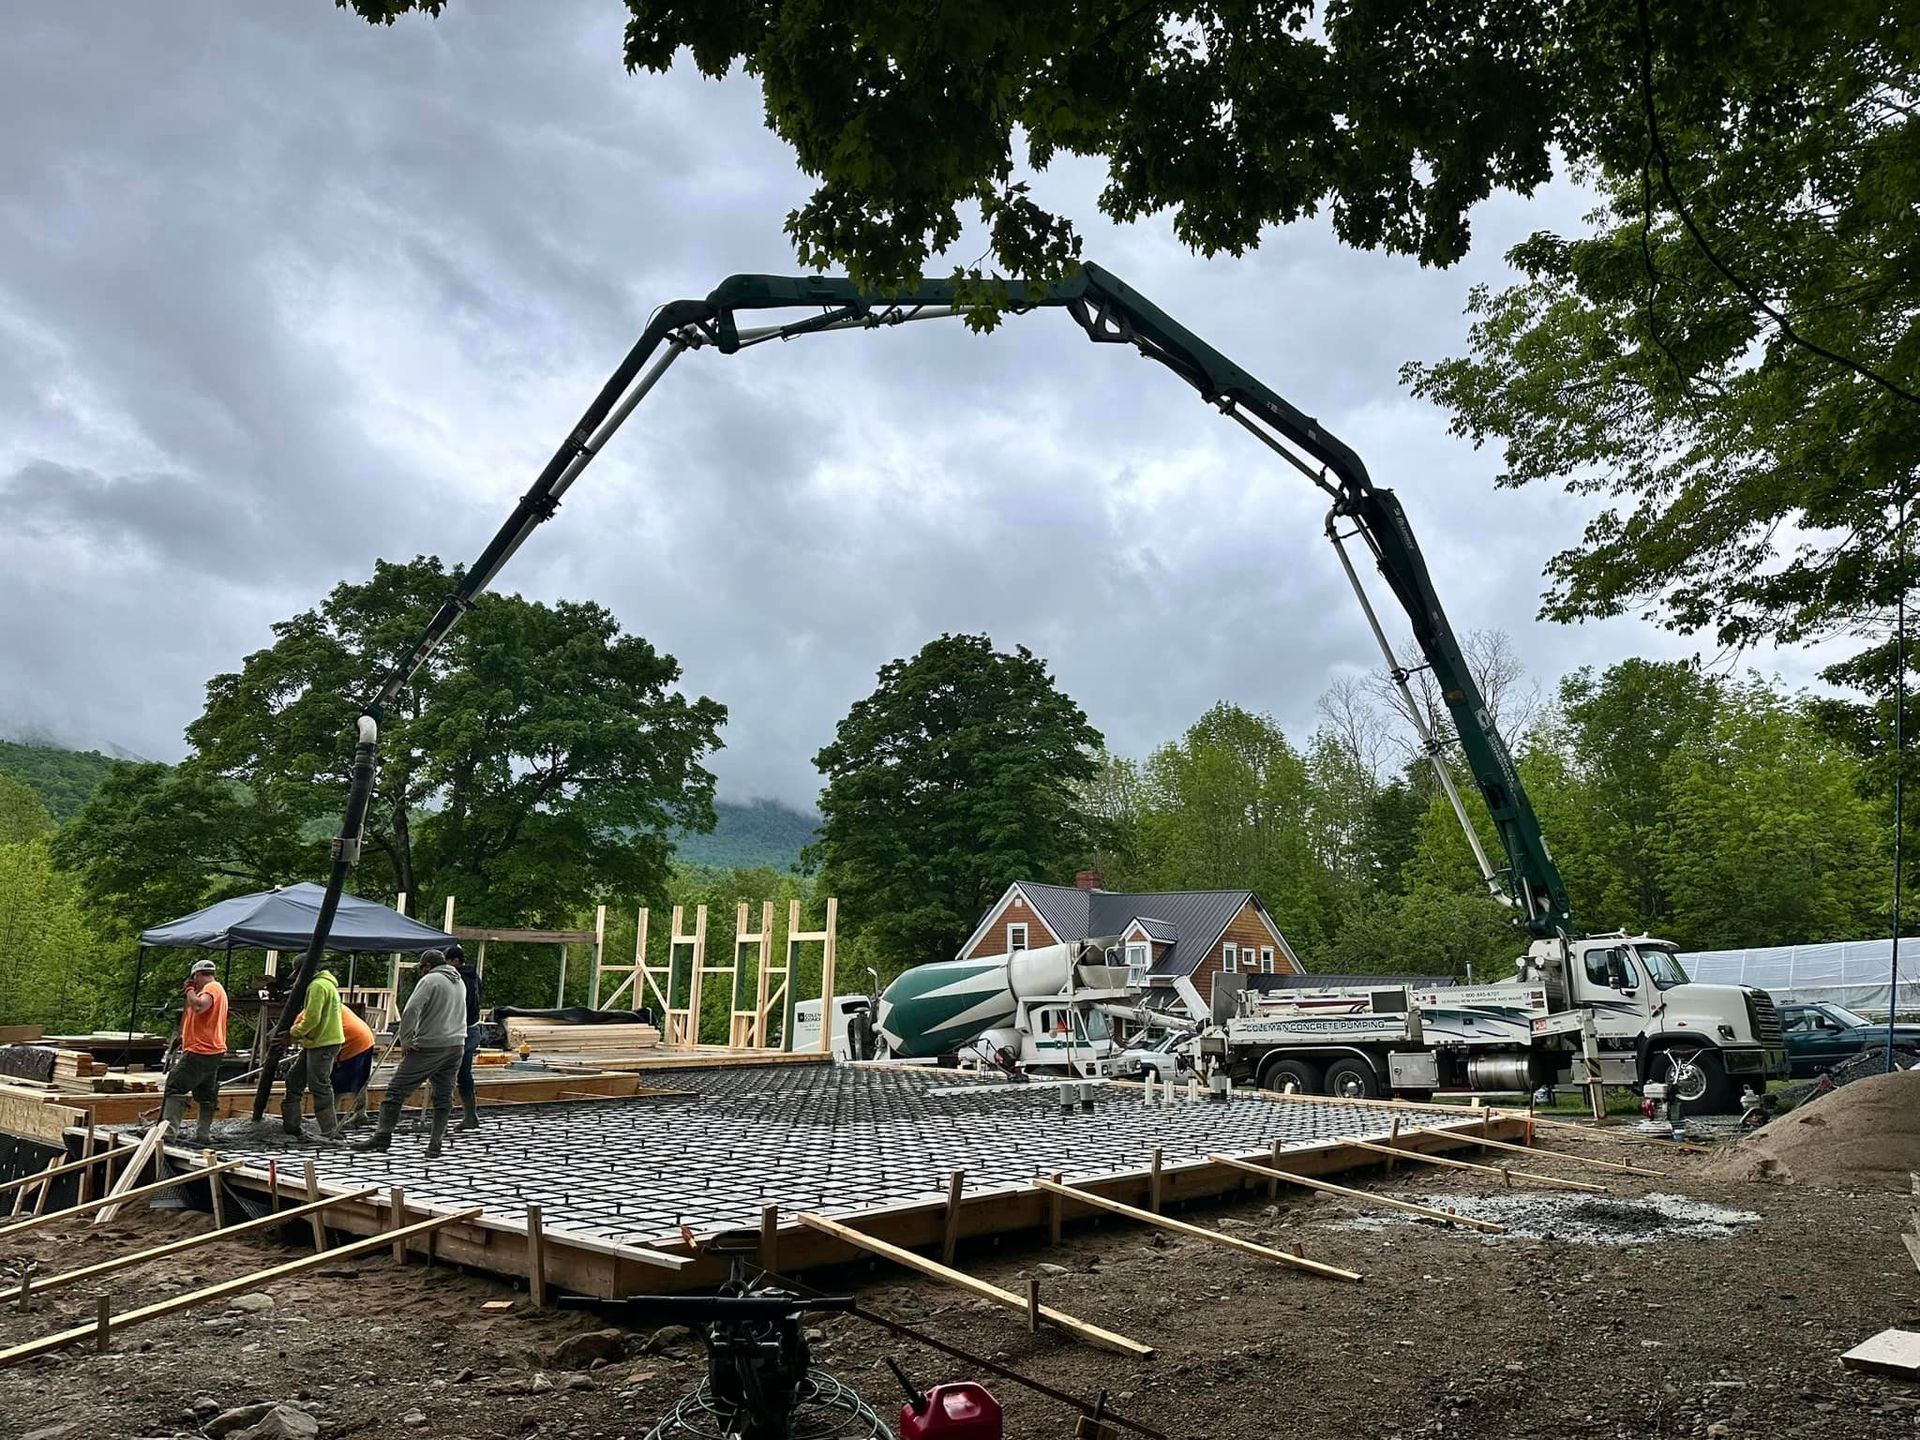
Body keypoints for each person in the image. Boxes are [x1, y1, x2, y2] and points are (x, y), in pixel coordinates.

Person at [354, 948, 466, 1158]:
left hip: (430, 1046)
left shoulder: (430, 980)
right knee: (443, 1097)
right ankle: (435, 1144)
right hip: (456, 1045)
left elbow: (411, 1009)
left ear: (427, 966)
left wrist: (406, 1039)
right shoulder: (458, 981)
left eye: (421, 968)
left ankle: (382, 1136)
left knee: (396, 1091)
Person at [161, 959, 228, 1145]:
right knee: (205, 1093)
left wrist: (189, 990)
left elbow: (199, 1007)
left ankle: (168, 1134)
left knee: (175, 1086)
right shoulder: (216, 989)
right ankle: (202, 1134)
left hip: (201, 1050)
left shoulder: (211, 988)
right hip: (212, 1050)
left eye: (194, 980)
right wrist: (183, 1037)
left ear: (197, 975)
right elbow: (201, 1019)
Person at [281, 962, 345, 1140]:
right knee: (294, 1080)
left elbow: (312, 1020)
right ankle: (292, 1127)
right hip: (317, 1042)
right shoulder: (325, 984)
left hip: (323, 1043)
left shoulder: (317, 986)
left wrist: (292, 1034)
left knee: (319, 1086)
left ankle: (330, 1131)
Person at [448, 941, 484, 1131]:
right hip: (471, 1029)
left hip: (461, 1030)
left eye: (448, 961)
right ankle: (470, 1116)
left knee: (448, 1073)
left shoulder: (459, 979)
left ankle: (446, 1115)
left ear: (455, 960)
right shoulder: (474, 977)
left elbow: (461, 1005)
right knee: (463, 1074)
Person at [333, 1003, 378, 1128]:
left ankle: (329, 1118)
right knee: (360, 1079)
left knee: (335, 1081)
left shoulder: (306, 1016)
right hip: (365, 1037)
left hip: (353, 1041)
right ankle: (360, 1113)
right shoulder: (332, 1002)